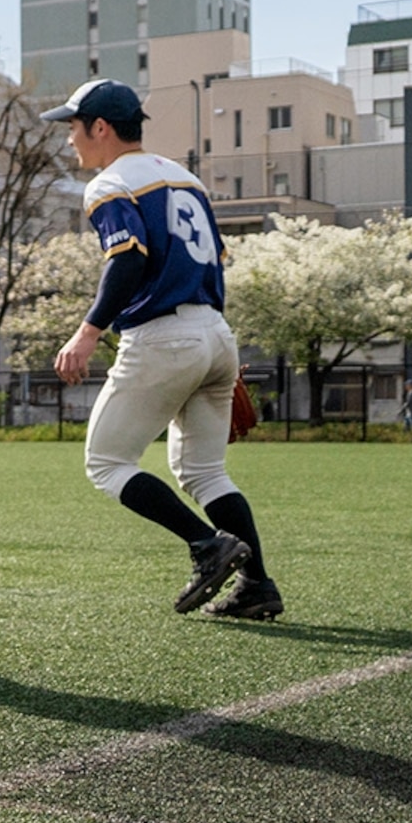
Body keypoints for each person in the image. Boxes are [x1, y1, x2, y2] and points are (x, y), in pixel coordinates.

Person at [47, 80, 280, 621]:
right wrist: (209, 341)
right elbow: (215, 261)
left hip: (163, 336)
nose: (69, 142)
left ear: (99, 127)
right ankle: (257, 585)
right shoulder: (185, 177)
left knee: (106, 462)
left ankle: (207, 544)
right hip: (214, 331)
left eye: (73, 128)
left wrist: (87, 332)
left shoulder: (110, 182)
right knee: (206, 473)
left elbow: (127, 258)